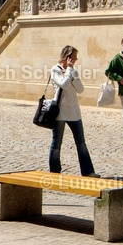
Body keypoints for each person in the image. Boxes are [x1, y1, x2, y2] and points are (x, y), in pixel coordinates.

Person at [49, 45, 98, 176]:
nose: (76, 59)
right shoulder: (55, 70)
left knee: (81, 143)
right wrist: (69, 70)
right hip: (60, 111)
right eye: (74, 57)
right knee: (57, 143)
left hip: (74, 111)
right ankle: (54, 172)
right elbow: (63, 85)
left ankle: (88, 172)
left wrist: (73, 76)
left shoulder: (73, 70)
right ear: (67, 57)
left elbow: (80, 89)